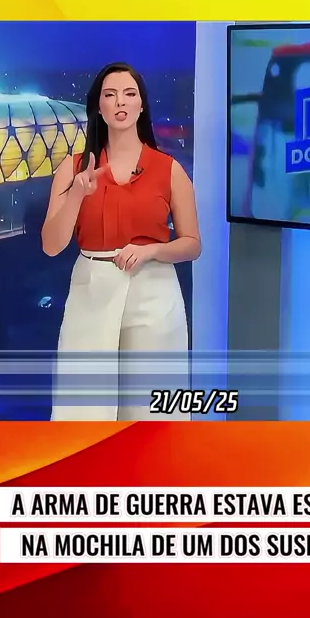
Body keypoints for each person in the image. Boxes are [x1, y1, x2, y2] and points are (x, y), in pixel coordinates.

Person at [41, 62, 201, 421]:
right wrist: (77, 194)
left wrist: (152, 250)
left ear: (141, 104)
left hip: (154, 292)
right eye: (110, 95)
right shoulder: (73, 168)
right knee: (83, 410)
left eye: (130, 94)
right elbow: (51, 245)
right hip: (92, 292)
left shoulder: (169, 169)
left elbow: (192, 243)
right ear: (99, 107)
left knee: (152, 412)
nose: (120, 102)